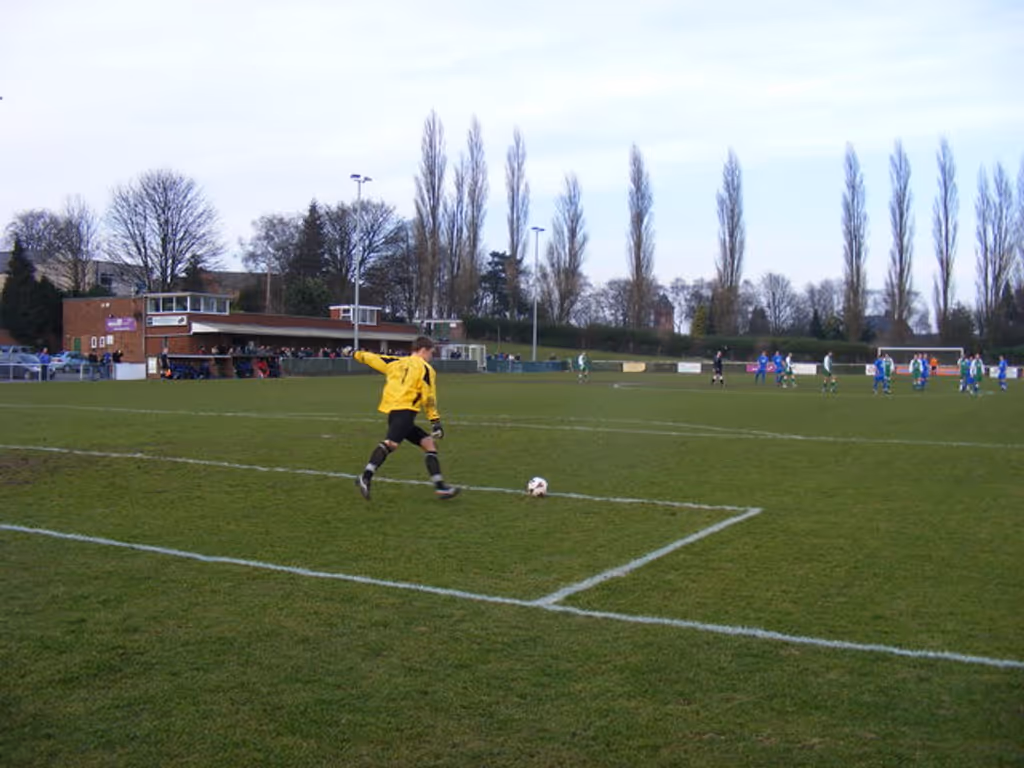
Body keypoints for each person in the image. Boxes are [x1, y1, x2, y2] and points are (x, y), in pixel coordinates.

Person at [353, 336, 459, 501]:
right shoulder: (426, 369)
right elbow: (428, 397)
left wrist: (354, 354)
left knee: (428, 443)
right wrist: (435, 421)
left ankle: (440, 487)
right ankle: (365, 477)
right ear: (423, 350)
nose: (431, 356)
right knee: (391, 444)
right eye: (431, 352)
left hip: (394, 411)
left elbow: (371, 358)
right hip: (405, 412)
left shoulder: (395, 362)